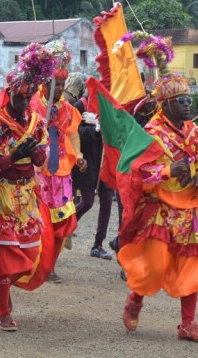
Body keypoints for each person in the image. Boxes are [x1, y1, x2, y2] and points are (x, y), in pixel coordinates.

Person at [118, 73, 198, 343]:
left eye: (189, 100)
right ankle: (135, 299)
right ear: (166, 104)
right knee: (154, 264)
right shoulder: (150, 134)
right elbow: (135, 174)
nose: (188, 105)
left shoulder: (197, 133)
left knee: (191, 265)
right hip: (160, 208)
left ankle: (188, 324)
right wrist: (166, 170)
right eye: (182, 100)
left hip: (189, 209)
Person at [0, 44, 56, 331]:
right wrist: (11, 157)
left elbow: (43, 159)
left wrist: (33, 155)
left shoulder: (36, 123)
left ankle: (6, 293)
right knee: (6, 252)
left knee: (29, 252)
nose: (24, 102)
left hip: (27, 192)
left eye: (28, 97)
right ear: (8, 93)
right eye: (19, 97)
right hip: (3, 193)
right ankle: (2, 310)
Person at [33, 40, 86, 283]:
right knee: (39, 221)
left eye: (63, 85)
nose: (60, 89)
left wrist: (81, 156)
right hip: (39, 173)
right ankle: (36, 264)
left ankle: (51, 266)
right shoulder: (32, 106)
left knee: (62, 222)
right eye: (55, 84)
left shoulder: (68, 109)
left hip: (62, 172)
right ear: (44, 84)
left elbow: (73, 135)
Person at [71, 82, 115, 261]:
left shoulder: (111, 107)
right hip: (87, 159)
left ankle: (98, 245)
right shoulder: (81, 105)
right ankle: (65, 228)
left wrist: (106, 125)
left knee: (106, 202)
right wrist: (93, 128)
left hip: (106, 159)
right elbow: (72, 133)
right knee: (87, 202)